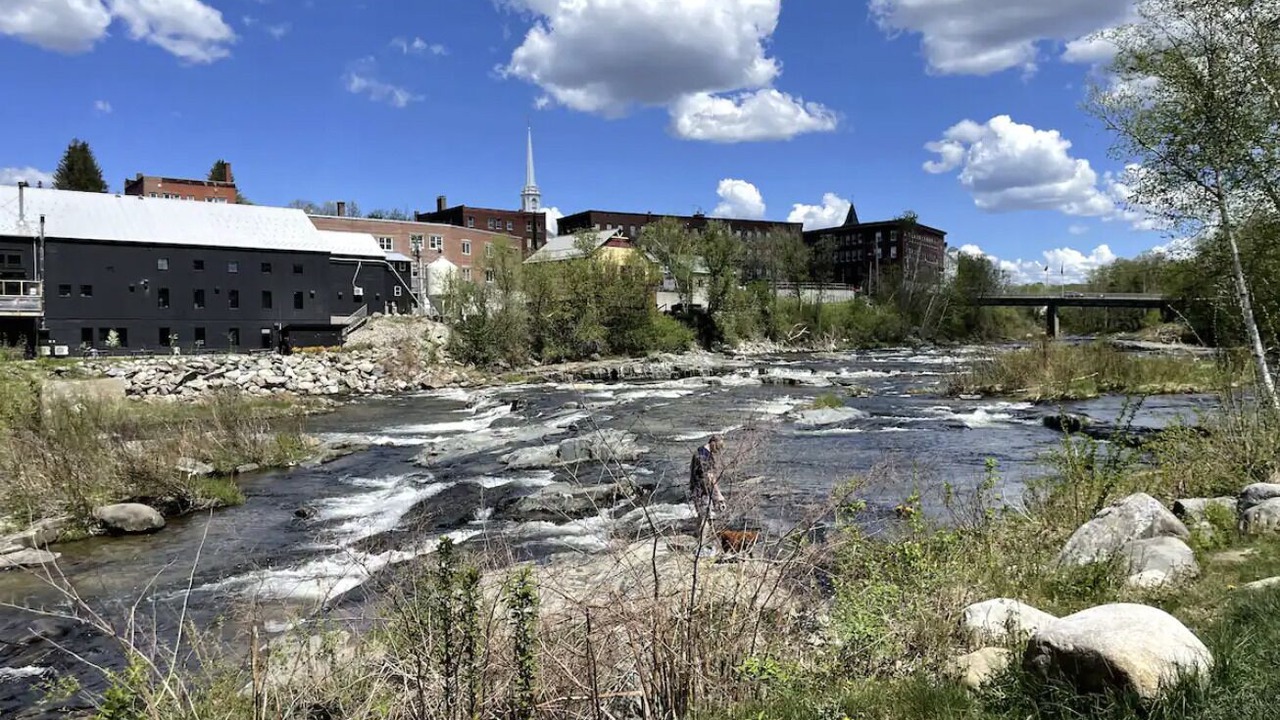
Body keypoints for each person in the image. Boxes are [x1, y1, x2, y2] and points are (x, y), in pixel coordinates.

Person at [689, 435, 726, 551]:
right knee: (705, 519)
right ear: (713, 443)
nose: (718, 451)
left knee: (703, 518)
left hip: (700, 490)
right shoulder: (703, 456)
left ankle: (700, 543)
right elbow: (710, 477)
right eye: (718, 447)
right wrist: (718, 495)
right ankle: (701, 546)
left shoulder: (701, 452)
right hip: (700, 492)